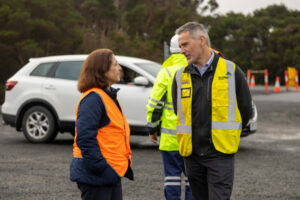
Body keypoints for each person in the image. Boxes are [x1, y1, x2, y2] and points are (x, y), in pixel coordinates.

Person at [171, 22, 253, 200]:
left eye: (185, 45)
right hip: (192, 156)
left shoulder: (231, 71)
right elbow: (179, 111)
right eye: (180, 46)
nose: (182, 50)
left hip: (219, 155)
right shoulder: (179, 76)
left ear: (201, 40)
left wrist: (228, 136)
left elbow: (246, 110)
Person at [70, 48, 133, 200]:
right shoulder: (93, 99)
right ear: (102, 70)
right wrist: (102, 168)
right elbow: (85, 138)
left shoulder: (107, 95)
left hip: (108, 173)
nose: (120, 68)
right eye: (115, 64)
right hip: (98, 175)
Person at [146, 34, 193, 200]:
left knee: (172, 177)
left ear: (171, 51)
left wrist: (152, 128)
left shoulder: (166, 72)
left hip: (170, 138)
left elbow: (154, 104)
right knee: (192, 179)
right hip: (193, 138)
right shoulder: (197, 69)